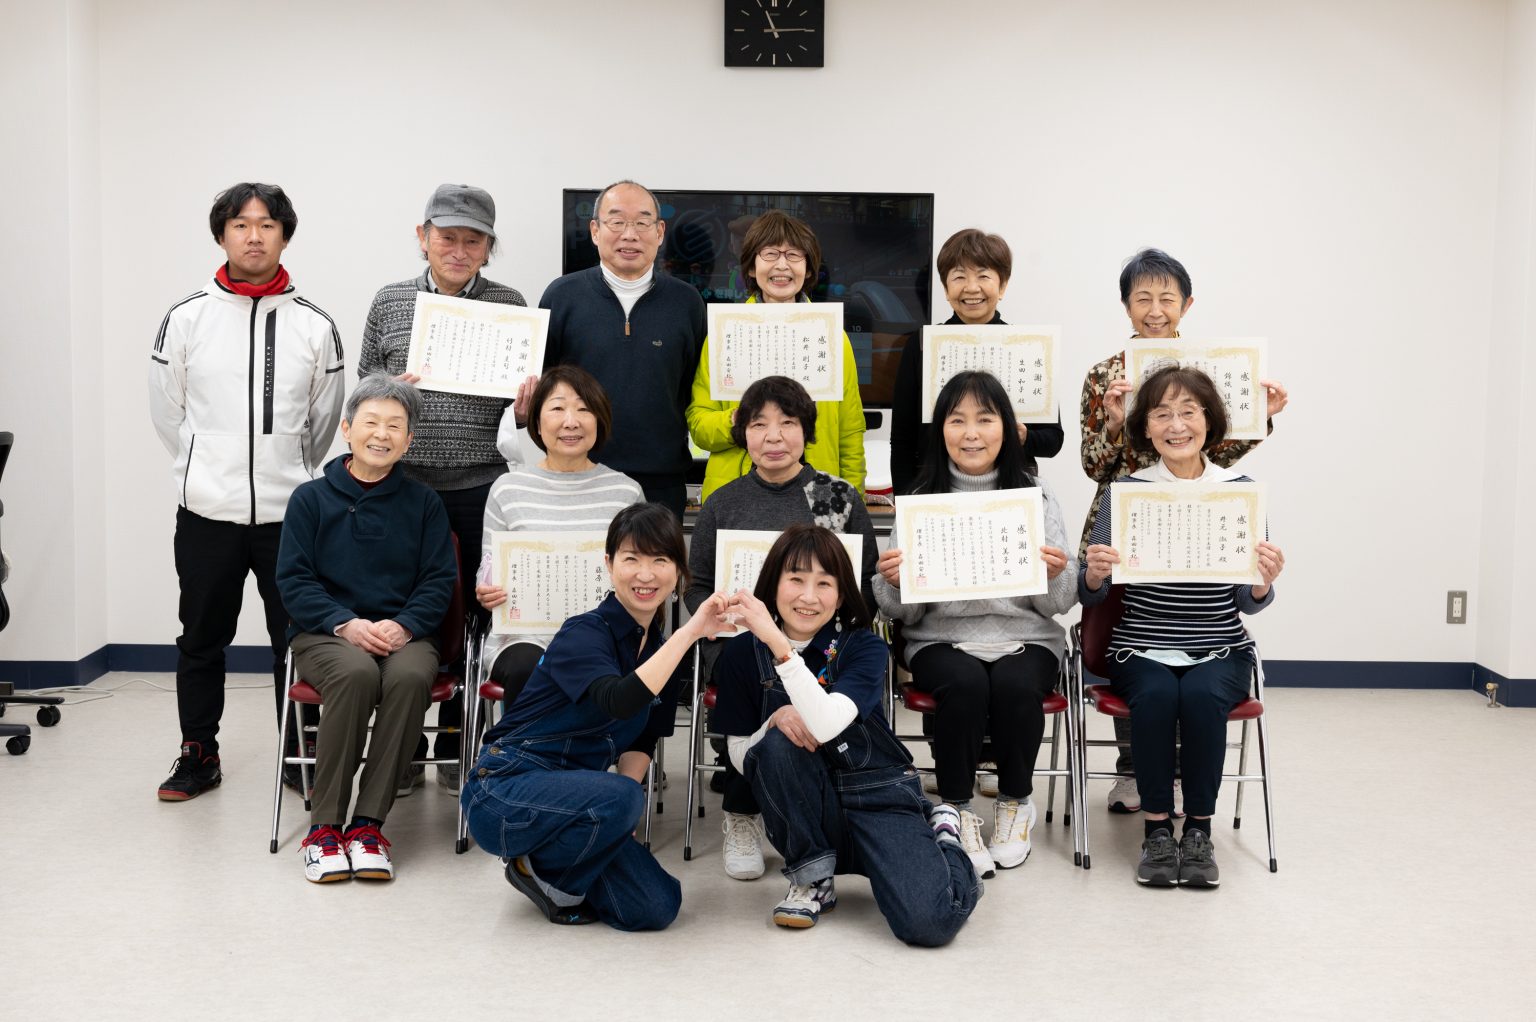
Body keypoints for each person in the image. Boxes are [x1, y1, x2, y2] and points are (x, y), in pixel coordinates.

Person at [148, 181, 344, 801]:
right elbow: (167, 414)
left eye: (266, 225)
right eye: (240, 224)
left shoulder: (315, 325)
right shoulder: (186, 318)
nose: (253, 236)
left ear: (285, 236)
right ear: (222, 235)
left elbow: (323, 422)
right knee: (201, 638)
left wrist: (290, 472)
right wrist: (205, 467)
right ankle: (198, 753)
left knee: (298, 641)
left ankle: (299, 752)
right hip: (207, 511)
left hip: (292, 517)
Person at [1078, 247, 1289, 813]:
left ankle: (1180, 777)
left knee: (1194, 641)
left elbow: (1214, 451)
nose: (1155, 310)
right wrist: (1116, 428)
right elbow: (1095, 466)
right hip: (1126, 519)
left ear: (1186, 304)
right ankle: (1134, 770)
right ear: (1125, 305)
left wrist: (1263, 418)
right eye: (1142, 298)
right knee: (1132, 634)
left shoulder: (1209, 367)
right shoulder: (1104, 375)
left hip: (1196, 521)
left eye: (1166, 298)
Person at [461, 504, 728, 929]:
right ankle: (546, 875)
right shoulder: (584, 632)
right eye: (632, 558)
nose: (646, 574)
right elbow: (618, 700)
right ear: (609, 564)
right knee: (624, 797)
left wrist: (612, 818)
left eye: (661, 560)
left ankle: (543, 865)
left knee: (658, 905)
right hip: (503, 791)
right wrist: (691, 630)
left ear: (678, 572)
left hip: (581, 803)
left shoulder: (662, 649)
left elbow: (645, 736)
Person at [712, 525, 982, 945]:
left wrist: (778, 645)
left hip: (878, 799)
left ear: (841, 595)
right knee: (778, 741)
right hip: (809, 812)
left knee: (929, 924)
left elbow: (824, 724)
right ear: (773, 584)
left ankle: (945, 833)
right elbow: (738, 756)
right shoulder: (740, 654)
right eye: (796, 579)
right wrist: (772, 721)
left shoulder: (864, 648)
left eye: (824, 583)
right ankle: (812, 880)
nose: (808, 596)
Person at [1079, 364, 1285, 888]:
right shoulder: (1125, 492)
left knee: (1199, 696)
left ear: (1209, 422)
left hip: (1219, 645)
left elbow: (1247, 601)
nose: (1176, 425)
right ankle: (1155, 830)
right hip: (1141, 645)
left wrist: (1263, 583)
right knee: (1154, 696)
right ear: (1145, 428)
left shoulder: (1239, 492)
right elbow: (1093, 593)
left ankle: (1197, 830)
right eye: (1162, 414)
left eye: (1188, 412)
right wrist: (1094, 574)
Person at [873, 371, 1077, 880]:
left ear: (1006, 427)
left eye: (985, 420)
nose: (971, 434)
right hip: (940, 637)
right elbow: (904, 613)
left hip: (1026, 634)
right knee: (964, 685)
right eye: (956, 420)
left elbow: (1057, 604)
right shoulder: (922, 497)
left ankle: (1015, 803)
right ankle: (957, 810)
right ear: (939, 429)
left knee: (1014, 685)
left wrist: (1056, 573)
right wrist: (894, 583)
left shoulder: (1035, 494)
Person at [358, 183, 528, 789]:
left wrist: (526, 406)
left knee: (474, 616)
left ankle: (459, 741)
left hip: (482, 486)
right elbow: (364, 393)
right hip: (402, 486)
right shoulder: (391, 301)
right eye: (447, 236)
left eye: (473, 240)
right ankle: (402, 746)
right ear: (423, 236)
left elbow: (521, 409)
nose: (459, 250)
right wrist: (390, 390)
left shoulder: (509, 303)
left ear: (488, 247)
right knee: (401, 612)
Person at [684, 375, 878, 881]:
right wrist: (718, 613)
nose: (773, 436)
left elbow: (862, 586)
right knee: (746, 665)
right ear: (743, 434)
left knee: (802, 674)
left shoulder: (834, 496)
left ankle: (818, 800)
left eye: (787, 423)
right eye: (759, 424)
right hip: (741, 643)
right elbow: (696, 585)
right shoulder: (723, 501)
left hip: (821, 645)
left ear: (807, 431)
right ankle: (741, 812)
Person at [275, 375, 457, 883]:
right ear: (347, 429)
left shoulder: (424, 503)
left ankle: (367, 827)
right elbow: (294, 580)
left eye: (395, 426)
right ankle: (324, 829)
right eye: (371, 422)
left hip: (406, 634)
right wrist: (345, 623)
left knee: (409, 677)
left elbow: (438, 580)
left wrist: (404, 626)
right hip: (326, 633)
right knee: (355, 675)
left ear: (409, 440)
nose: (382, 434)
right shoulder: (310, 499)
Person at [475, 366, 644, 706]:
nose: (571, 421)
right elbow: (488, 566)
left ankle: (587, 744)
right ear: (537, 423)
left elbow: (641, 571)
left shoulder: (625, 492)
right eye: (557, 408)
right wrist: (486, 588)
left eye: (584, 409)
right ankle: (526, 744)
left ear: (600, 421)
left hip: (603, 632)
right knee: (527, 666)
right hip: (524, 637)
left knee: (597, 663)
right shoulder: (508, 489)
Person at [535, 180, 705, 516]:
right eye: (616, 222)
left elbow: (692, 387)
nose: (630, 235)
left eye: (642, 222)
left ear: (659, 232)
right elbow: (542, 389)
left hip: (662, 481)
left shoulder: (686, 302)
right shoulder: (561, 297)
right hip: (577, 474)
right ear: (595, 231)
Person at [686, 209, 866, 502]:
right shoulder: (725, 331)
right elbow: (699, 426)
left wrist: (851, 503)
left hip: (817, 495)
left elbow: (850, 431)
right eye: (770, 254)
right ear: (751, 267)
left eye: (793, 255)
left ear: (809, 268)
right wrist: (739, 419)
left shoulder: (831, 335)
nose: (782, 265)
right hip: (736, 496)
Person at [890, 228, 1064, 495]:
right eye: (959, 277)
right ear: (946, 288)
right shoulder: (921, 344)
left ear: (1002, 285)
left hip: (1010, 490)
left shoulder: (1027, 346)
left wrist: (1023, 436)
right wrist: (906, 504)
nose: (971, 288)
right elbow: (902, 439)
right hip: (936, 490)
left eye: (983, 276)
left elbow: (1053, 440)